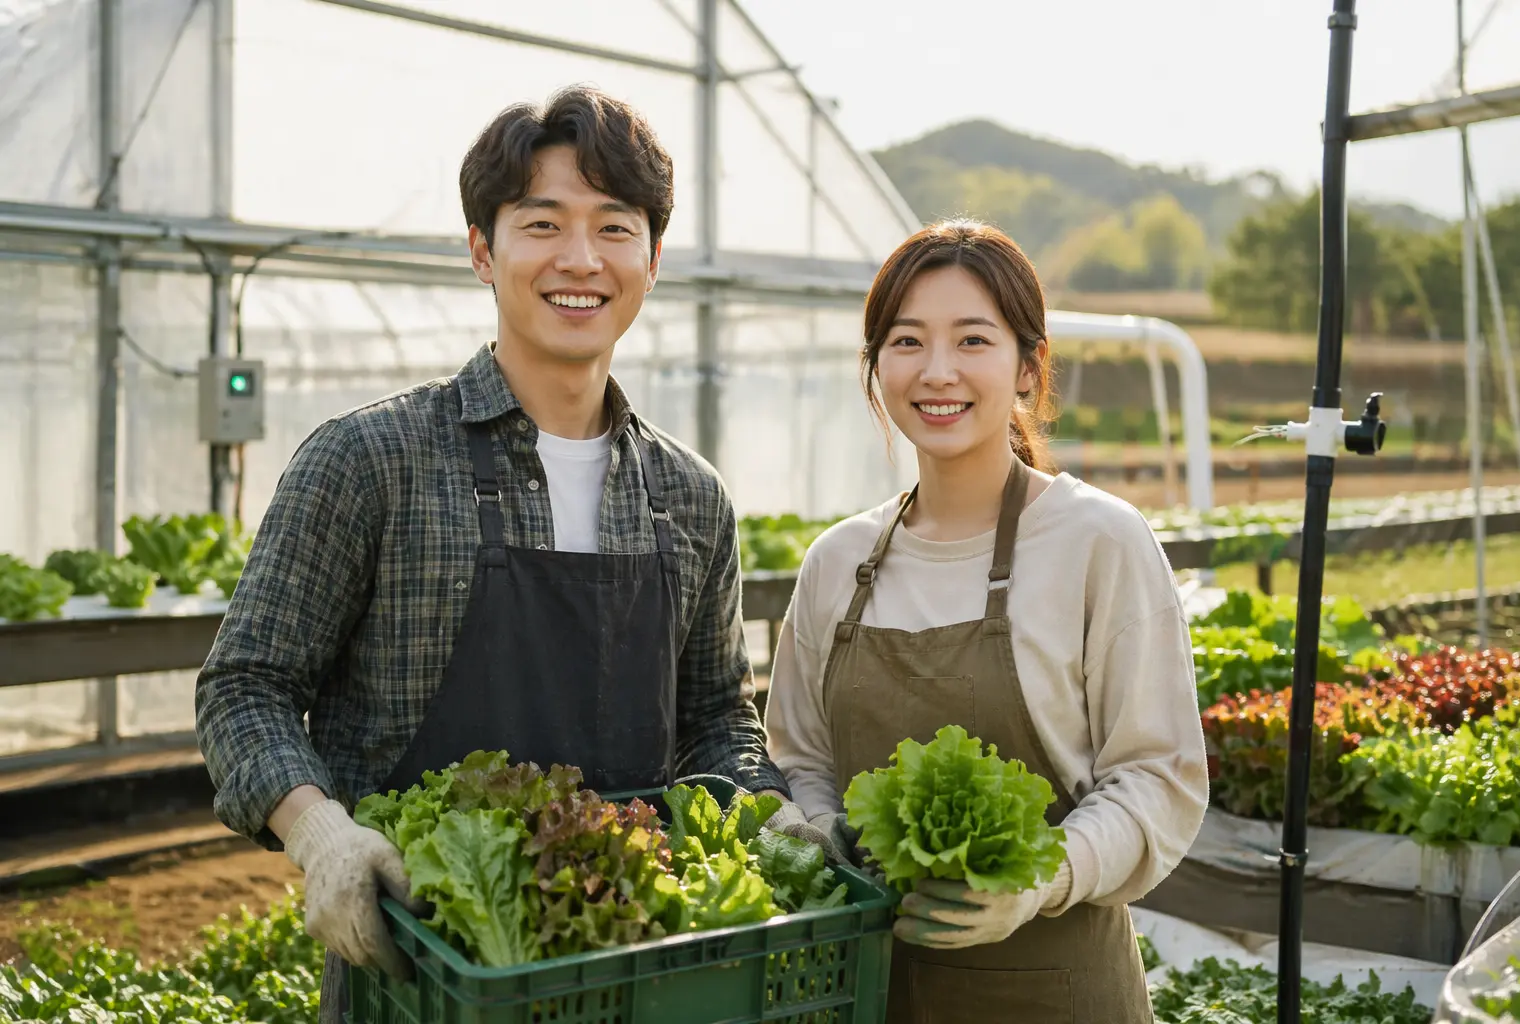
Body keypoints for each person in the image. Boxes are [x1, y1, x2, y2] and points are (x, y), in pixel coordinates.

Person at [194, 85, 835, 1023]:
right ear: (483, 250)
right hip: (417, 973)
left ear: (651, 261)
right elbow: (243, 685)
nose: (581, 259)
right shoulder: (371, 461)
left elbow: (711, 720)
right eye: (543, 223)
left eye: (614, 228)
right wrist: (320, 833)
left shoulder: (690, 497)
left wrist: (773, 813)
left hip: (634, 967)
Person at [764, 220, 1208, 1023]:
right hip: (865, 988)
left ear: (1029, 369)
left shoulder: (1098, 540)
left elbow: (1157, 777)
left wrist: (1040, 876)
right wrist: (831, 841)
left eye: (973, 340)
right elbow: (798, 759)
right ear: (876, 368)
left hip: (1061, 990)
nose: (938, 372)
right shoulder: (837, 563)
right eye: (906, 342)